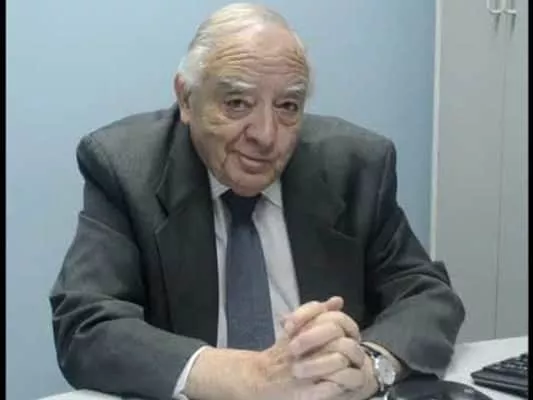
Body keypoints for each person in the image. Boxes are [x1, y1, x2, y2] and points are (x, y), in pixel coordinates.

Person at [50, 3, 465, 400]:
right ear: (186, 98)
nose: (266, 135)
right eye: (237, 103)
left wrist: (372, 366)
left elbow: (426, 294)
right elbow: (87, 325)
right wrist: (246, 377)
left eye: (288, 107)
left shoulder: (356, 167)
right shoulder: (125, 168)